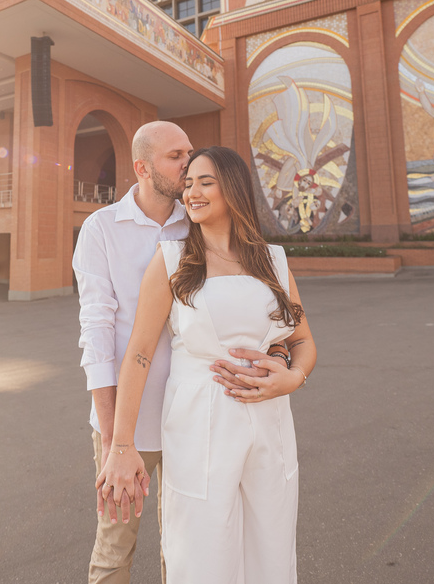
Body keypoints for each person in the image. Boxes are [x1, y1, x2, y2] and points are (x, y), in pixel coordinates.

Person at [98, 146, 318, 584]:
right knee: (203, 553)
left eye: (205, 182)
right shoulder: (172, 260)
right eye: (188, 183)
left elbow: (303, 340)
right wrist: (120, 445)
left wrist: (292, 378)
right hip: (198, 423)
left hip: (269, 423)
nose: (192, 192)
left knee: (270, 548)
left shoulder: (273, 260)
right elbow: (139, 355)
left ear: (233, 189)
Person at [73, 121, 192, 584]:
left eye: (189, 152)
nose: (188, 163)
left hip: (189, 414)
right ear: (142, 167)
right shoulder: (102, 229)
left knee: (183, 547)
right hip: (129, 424)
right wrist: (113, 442)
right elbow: (97, 333)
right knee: (114, 549)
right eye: (175, 155)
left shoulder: (196, 221)